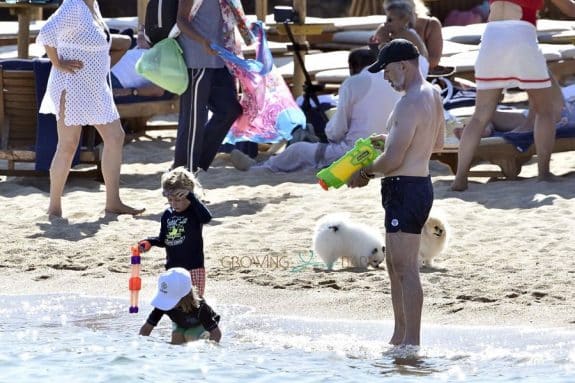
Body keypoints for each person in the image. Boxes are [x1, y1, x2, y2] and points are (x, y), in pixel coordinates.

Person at [348, 39, 445, 346]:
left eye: (388, 71)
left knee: (406, 268)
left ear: (404, 65)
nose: (386, 78)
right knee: (395, 266)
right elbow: (438, 144)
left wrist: (363, 172)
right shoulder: (433, 93)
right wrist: (389, 138)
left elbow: (393, 160)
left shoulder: (408, 103)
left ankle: (411, 342)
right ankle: (399, 337)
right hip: (418, 186)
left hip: (404, 188)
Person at [451, 0, 575, 191]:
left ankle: (460, 178)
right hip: (521, 34)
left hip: (491, 37)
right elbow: (569, 9)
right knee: (544, 110)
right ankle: (543, 173)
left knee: (480, 116)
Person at [36, 0, 143, 217]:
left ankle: (113, 202)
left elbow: (98, 47)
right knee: (68, 144)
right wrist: (57, 63)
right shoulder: (74, 4)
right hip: (71, 83)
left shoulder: (92, 6)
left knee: (115, 136)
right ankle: (54, 208)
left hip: (95, 87)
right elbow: (46, 33)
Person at [229, 48, 402, 172]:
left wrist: (328, 136)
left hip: (358, 154)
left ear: (353, 68)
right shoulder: (394, 82)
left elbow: (336, 131)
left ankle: (259, 169)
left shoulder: (354, 82)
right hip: (389, 151)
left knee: (299, 150)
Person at [174, 0, 253, 172]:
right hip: (196, 60)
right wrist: (202, 41)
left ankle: (190, 169)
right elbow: (181, 20)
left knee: (230, 110)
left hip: (221, 59)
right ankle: (183, 175)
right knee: (193, 120)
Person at [139, 167, 212, 297]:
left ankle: (210, 317)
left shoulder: (194, 211)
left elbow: (207, 218)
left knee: (195, 302)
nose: (173, 204)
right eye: (170, 200)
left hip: (193, 268)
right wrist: (150, 242)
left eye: (178, 199)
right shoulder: (167, 214)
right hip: (173, 269)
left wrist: (192, 198)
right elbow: (163, 240)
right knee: (174, 303)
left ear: (188, 195)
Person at [139, 267, 222, 344]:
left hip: (201, 324)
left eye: (169, 300)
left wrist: (209, 353)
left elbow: (216, 334)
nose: (165, 303)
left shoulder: (200, 308)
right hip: (182, 323)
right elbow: (146, 329)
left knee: (190, 335)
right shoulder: (163, 305)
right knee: (176, 338)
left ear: (184, 297)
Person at [380, 0, 443, 69]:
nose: (386, 23)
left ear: (405, 18)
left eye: (389, 20)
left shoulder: (431, 25)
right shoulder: (385, 28)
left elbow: (433, 62)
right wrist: (384, 39)